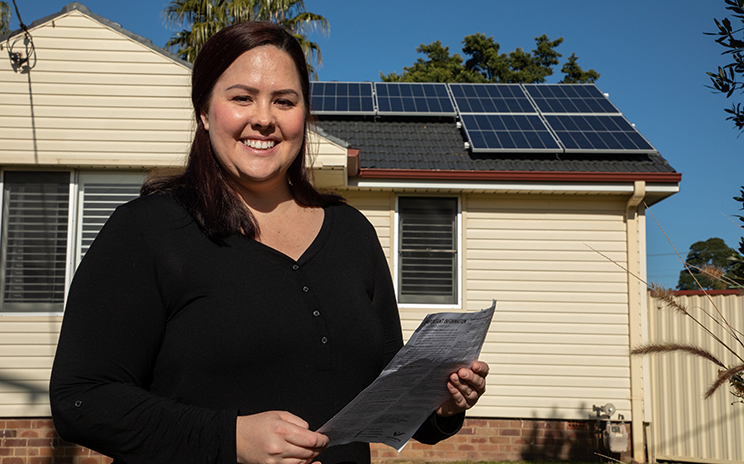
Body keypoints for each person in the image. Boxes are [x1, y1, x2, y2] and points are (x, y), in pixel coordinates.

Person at [49, 21, 489, 464]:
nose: (264, 117)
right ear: (204, 111)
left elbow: (386, 393)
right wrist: (229, 438)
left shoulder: (352, 234)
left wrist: (441, 402)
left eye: (284, 100)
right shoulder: (146, 231)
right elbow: (81, 399)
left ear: (304, 114)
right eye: (242, 98)